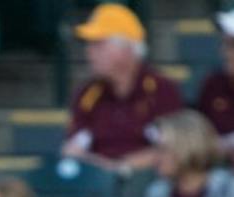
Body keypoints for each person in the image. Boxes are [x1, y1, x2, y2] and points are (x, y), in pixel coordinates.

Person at [62, 3, 181, 172]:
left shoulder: (161, 90)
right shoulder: (87, 94)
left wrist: (121, 167)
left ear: (126, 48)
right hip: (96, 188)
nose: (89, 52)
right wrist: (107, 170)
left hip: (149, 186)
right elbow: (72, 150)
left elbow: (175, 149)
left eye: (98, 44)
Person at [196, 12, 234, 146]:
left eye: (232, 45)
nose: (225, 52)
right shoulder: (213, 84)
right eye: (225, 44)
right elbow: (199, 138)